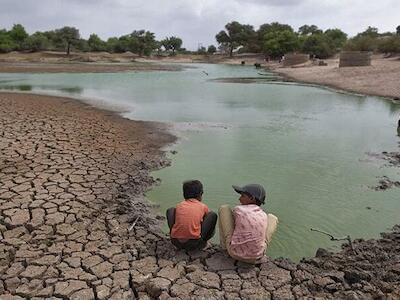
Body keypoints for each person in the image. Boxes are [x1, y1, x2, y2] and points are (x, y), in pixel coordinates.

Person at [218, 184, 278, 263]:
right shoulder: (263, 215)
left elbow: (233, 224)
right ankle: (258, 249)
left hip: (234, 253)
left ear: (252, 198)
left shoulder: (238, 209)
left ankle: (224, 247)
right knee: (273, 218)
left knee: (224, 208)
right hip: (257, 256)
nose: (239, 199)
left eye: (243, 196)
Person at [166, 180, 217, 251]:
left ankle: (174, 234)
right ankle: (203, 244)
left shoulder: (179, 205)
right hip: (194, 244)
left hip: (175, 242)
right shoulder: (203, 206)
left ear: (184, 194)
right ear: (201, 194)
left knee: (171, 210)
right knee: (212, 215)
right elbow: (207, 222)